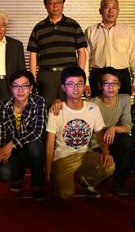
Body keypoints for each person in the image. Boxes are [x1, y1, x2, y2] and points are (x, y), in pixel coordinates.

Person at [45, 66, 114, 200]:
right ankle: (58, 178)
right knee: (65, 195)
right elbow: (49, 144)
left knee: (109, 166)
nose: (75, 88)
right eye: (71, 84)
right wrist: (47, 174)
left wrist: (106, 151)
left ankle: (85, 181)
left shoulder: (93, 108)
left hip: (84, 154)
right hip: (63, 158)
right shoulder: (56, 110)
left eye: (79, 83)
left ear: (84, 86)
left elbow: (100, 134)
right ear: (63, 87)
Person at [27, 0, 87, 106]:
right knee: (46, 107)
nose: (55, 6)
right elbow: (33, 54)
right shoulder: (39, 28)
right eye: (51, 3)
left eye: (58, 2)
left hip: (69, 75)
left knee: (69, 107)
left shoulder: (73, 25)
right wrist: (32, 78)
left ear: (63, 4)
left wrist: (80, 75)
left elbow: (81, 52)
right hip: (46, 76)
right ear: (45, 5)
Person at [0, 70, 47, 200]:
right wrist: (2, 149)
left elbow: (38, 132)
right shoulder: (3, 105)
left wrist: (12, 144)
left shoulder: (39, 102)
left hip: (31, 147)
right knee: (4, 173)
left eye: (24, 86)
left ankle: (37, 184)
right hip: (13, 150)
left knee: (35, 147)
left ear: (31, 87)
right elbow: (1, 130)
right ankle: (18, 175)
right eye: (16, 86)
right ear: (11, 88)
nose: (20, 90)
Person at [85, 0, 135, 100]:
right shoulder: (91, 31)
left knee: (123, 107)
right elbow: (85, 58)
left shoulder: (127, 30)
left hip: (122, 75)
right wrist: (85, 82)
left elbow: (134, 56)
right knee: (97, 107)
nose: (111, 11)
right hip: (98, 75)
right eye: (107, 7)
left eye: (114, 7)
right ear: (100, 11)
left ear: (118, 11)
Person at [92, 67, 134, 196]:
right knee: (104, 170)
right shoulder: (92, 103)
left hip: (115, 142)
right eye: (106, 83)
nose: (111, 87)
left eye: (114, 83)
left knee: (127, 141)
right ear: (100, 86)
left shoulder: (125, 99)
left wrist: (113, 128)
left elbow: (127, 125)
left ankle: (119, 184)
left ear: (119, 85)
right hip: (97, 144)